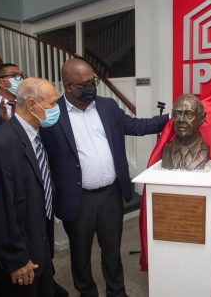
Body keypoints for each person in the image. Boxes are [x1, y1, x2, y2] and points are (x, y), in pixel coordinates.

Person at [40, 58, 169, 297]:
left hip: (111, 194)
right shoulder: (51, 115)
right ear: (68, 86)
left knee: (112, 249)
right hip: (77, 199)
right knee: (80, 253)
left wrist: (171, 118)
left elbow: (138, 126)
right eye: (85, 84)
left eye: (94, 81)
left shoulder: (107, 106)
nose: (92, 87)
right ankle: (87, 292)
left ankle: (117, 292)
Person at [0, 77, 59, 297]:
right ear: (32, 105)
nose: (56, 109)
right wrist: (17, 260)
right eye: (52, 103)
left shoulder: (34, 136)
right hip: (20, 259)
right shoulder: (1, 144)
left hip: (38, 245)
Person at [161, 94, 209, 170]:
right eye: (177, 114)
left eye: (189, 115)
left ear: (201, 119)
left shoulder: (204, 150)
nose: (181, 120)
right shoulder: (167, 150)